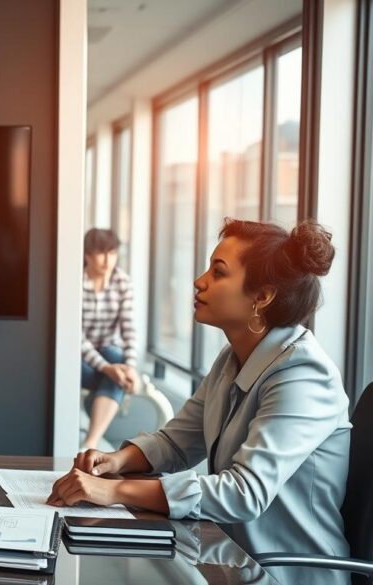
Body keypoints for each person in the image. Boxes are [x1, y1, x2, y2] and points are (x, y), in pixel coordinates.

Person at [50, 219, 351, 585]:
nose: (199, 281)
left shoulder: (303, 374)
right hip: (231, 560)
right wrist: (116, 461)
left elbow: (244, 494)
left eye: (218, 272)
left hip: (285, 574)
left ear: (262, 297)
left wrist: (114, 490)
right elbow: (177, 442)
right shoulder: (233, 357)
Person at [80, 229, 139, 450]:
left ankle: (90, 442)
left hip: (109, 354)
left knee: (118, 357)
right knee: (114, 374)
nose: (107, 260)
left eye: (112, 253)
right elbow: (76, 337)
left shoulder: (122, 282)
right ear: (87, 255)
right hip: (79, 360)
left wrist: (130, 367)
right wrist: (107, 369)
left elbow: (129, 328)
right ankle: (106, 389)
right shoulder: (75, 282)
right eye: (101, 253)